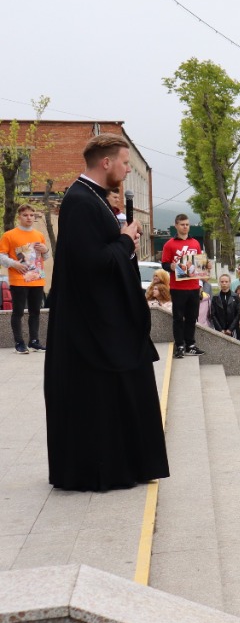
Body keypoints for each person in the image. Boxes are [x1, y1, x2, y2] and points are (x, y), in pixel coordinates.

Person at [44, 133, 168, 491]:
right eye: (125, 163)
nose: (128, 170)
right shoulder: (81, 201)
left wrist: (125, 240)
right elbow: (90, 264)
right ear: (106, 162)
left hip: (107, 321)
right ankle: (107, 469)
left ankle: (130, 464)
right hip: (94, 327)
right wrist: (125, 239)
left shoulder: (92, 198)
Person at [1, 203, 50, 353]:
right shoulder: (9, 235)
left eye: (31, 215)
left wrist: (46, 250)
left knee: (36, 311)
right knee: (18, 312)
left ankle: (34, 341)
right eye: (25, 215)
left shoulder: (39, 235)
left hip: (37, 278)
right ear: (19, 217)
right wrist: (14, 264)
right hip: (18, 280)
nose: (29, 217)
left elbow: (45, 257)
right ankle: (19, 343)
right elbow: (1, 256)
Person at [161, 213, 205, 359]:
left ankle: (190, 345)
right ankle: (180, 345)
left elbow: (199, 265)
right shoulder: (169, 244)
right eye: (182, 224)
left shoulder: (195, 243)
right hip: (178, 288)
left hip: (193, 286)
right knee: (178, 318)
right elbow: (164, 264)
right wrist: (172, 267)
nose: (185, 227)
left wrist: (205, 268)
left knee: (192, 318)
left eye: (187, 224)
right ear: (176, 226)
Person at [208, 273, 240, 339]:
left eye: (226, 282)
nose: (224, 283)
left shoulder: (235, 296)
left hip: (232, 330)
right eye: (222, 282)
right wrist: (220, 329)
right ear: (219, 283)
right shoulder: (215, 297)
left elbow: (238, 314)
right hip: (220, 329)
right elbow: (213, 314)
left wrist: (230, 329)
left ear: (229, 283)